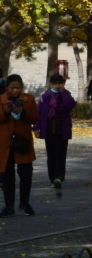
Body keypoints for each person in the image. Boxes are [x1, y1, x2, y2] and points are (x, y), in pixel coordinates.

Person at [0, 74, 39, 216]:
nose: (15, 91)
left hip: (22, 141)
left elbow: (35, 118)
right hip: (5, 143)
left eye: (18, 87)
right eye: (12, 88)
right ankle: (9, 207)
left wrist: (22, 112)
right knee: (7, 176)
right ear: (6, 88)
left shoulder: (28, 99)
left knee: (26, 174)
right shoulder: (1, 99)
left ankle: (24, 203)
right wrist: (6, 112)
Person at [34, 74, 77, 189]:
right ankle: (52, 178)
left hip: (62, 129)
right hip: (49, 129)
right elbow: (39, 112)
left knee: (61, 154)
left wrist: (63, 93)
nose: (58, 85)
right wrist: (36, 127)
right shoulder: (45, 96)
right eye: (56, 83)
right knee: (51, 154)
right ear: (51, 84)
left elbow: (71, 105)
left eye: (60, 83)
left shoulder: (65, 95)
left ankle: (59, 177)